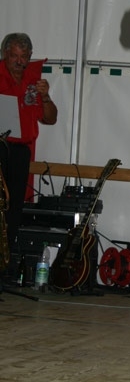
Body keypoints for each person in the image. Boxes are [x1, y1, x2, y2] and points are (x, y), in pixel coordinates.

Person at [0, 32, 57, 260]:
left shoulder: (34, 81)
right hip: (0, 146)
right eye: (14, 56)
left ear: (30, 56)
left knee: (14, 207)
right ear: (5, 54)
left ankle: (6, 259)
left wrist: (46, 96)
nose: (19, 61)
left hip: (21, 151)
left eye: (23, 56)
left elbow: (51, 119)